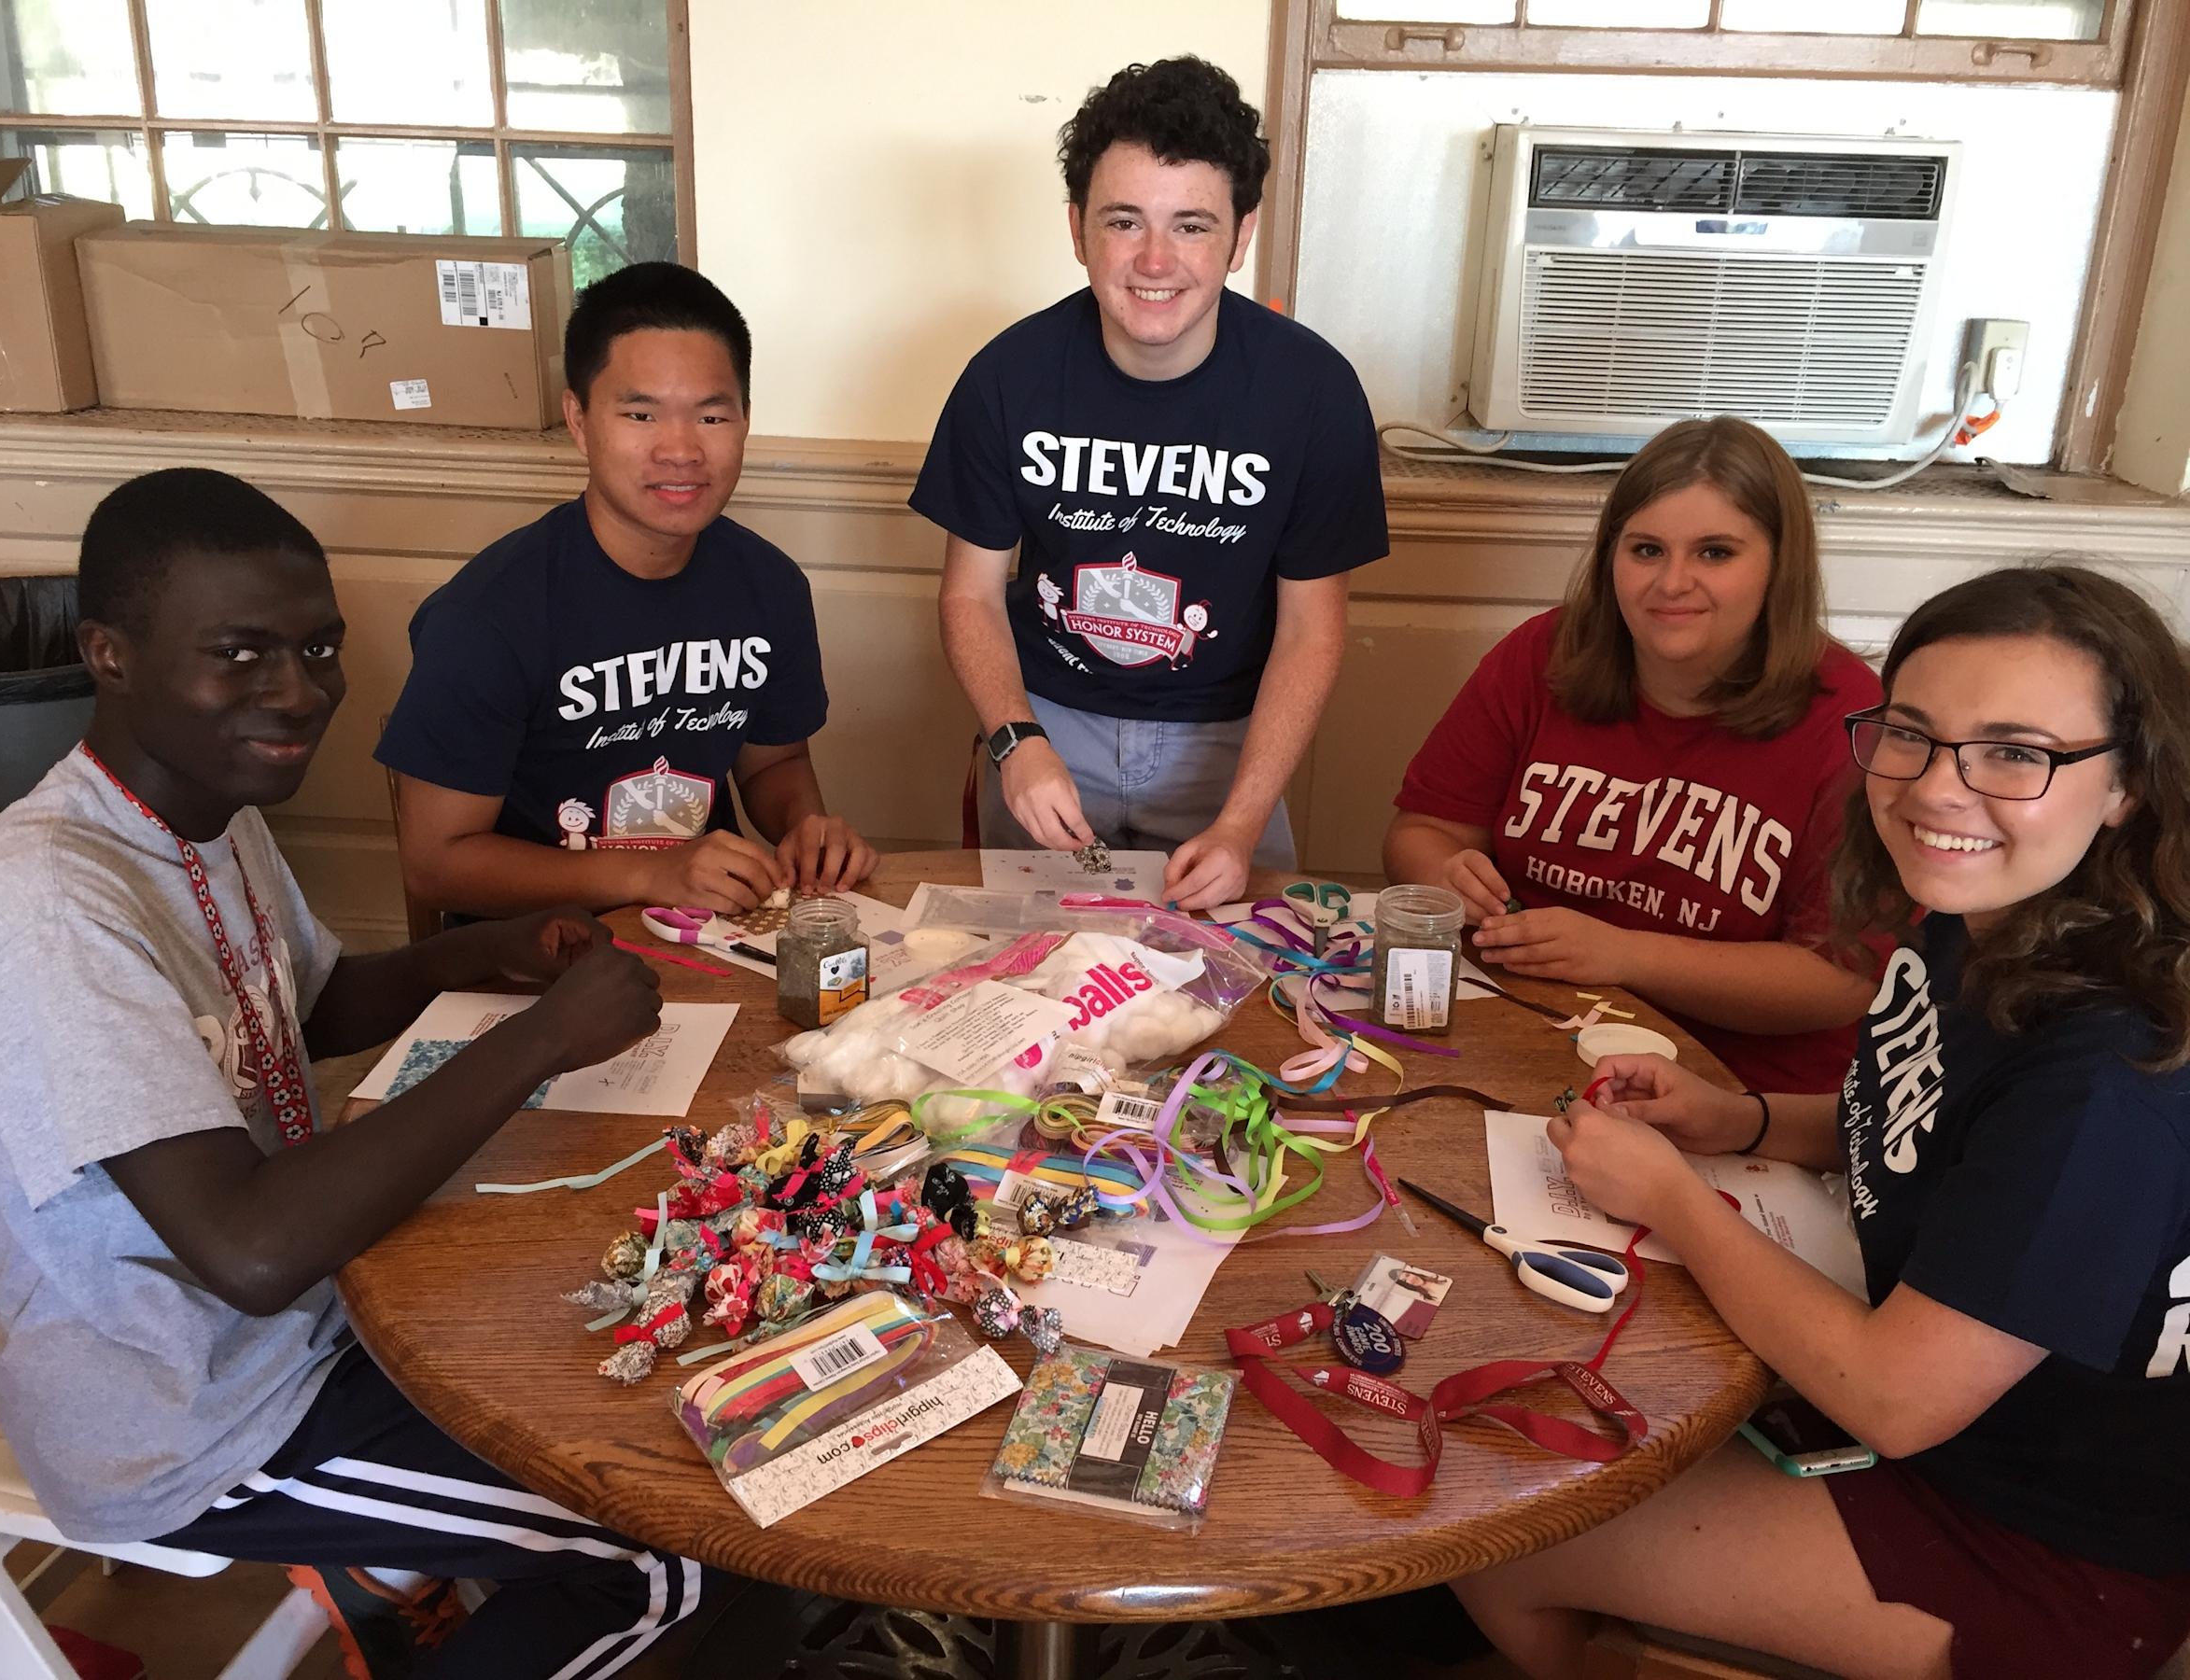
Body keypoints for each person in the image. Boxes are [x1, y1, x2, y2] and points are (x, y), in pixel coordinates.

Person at [0, 468, 711, 1678]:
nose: (298, 694)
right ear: (109, 653)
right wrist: (548, 1036)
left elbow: (304, 1009)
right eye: (240, 654)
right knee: (655, 1545)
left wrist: (493, 950)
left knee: (642, 1330)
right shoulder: (49, 907)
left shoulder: (206, 809)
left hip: (317, 1320)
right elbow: (250, 1251)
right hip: (192, 1420)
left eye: (318, 648)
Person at [1453, 564, 2190, 1679]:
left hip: (2043, 1553)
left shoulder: (2110, 1081)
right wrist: (1734, 1115)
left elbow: (1895, 1398)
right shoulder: (1986, 912)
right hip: (1937, 1427)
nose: (1939, 790)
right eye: (1913, 734)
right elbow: (1918, 1126)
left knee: (1500, 1519)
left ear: (2126, 783)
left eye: (2015, 752)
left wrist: (1671, 1199)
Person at [913, 55, 1389, 910]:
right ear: (1077, 228)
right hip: (1046, 720)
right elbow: (969, 597)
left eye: (1193, 225)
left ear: (1241, 236)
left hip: (1230, 747)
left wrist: (1242, 822)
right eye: (1124, 221)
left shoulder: (1313, 392)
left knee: (1231, 993)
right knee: (1018, 997)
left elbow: (1313, 631)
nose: (1155, 260)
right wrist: (1016, 743)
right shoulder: (1005, 376)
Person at [1384, 416, 1878, 1094]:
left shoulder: (1853, 722)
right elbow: (1422, 831)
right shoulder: (1543, 654)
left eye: (1715, 553)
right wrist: (1445, 875)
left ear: (1778, 566)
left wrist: (1622, 954)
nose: (1672, 583)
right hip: (1530, 1036)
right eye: (1646, 550)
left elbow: (1839, 982)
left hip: (1740, 1090)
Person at [379, 262, 876, 919]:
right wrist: (650, 873)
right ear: (580, 421)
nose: (680, 449)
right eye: (641, 413)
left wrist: (807, 829)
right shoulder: (487, 616)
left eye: (711, 415)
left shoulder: (770, 586)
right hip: (530, 959)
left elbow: (771, 764)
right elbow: (436, 866)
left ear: (745, 420)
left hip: (704, 933)